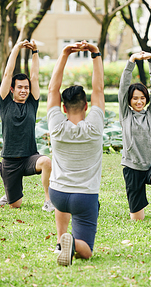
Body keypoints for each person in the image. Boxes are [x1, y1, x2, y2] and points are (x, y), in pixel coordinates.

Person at [46, 41, 105, 266]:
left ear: (63, 108)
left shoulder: (56, 126)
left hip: (57, 194)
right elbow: (98, 89)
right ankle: (71, 243)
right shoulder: (94, 126)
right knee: (87, 251)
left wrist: (64, 54)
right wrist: (95, 54)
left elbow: (52, 90)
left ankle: (60, 242)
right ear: (86, 106)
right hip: (85, 196)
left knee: (62, 203)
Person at [0, 40, 53, 212]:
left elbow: (35, 76)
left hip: (29, 158)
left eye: (26, 87)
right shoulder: (5, 103)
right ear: (12, 89)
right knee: (16, 205)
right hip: (10, 161)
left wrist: (35, 51)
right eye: (20, 87)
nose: (24, 90)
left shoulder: (32, 104)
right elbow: (7, 74)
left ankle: (49, 201)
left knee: (46, 162)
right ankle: (10, 193)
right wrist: (16, 48)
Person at [119, 51, 151, 224]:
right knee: (137, 219)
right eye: (135, 99)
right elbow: (123, 87)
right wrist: (131, 60)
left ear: (146, 99)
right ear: (129, 100)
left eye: (142, 98)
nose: (139, 102)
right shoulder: (125, 115)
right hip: (132, 167)